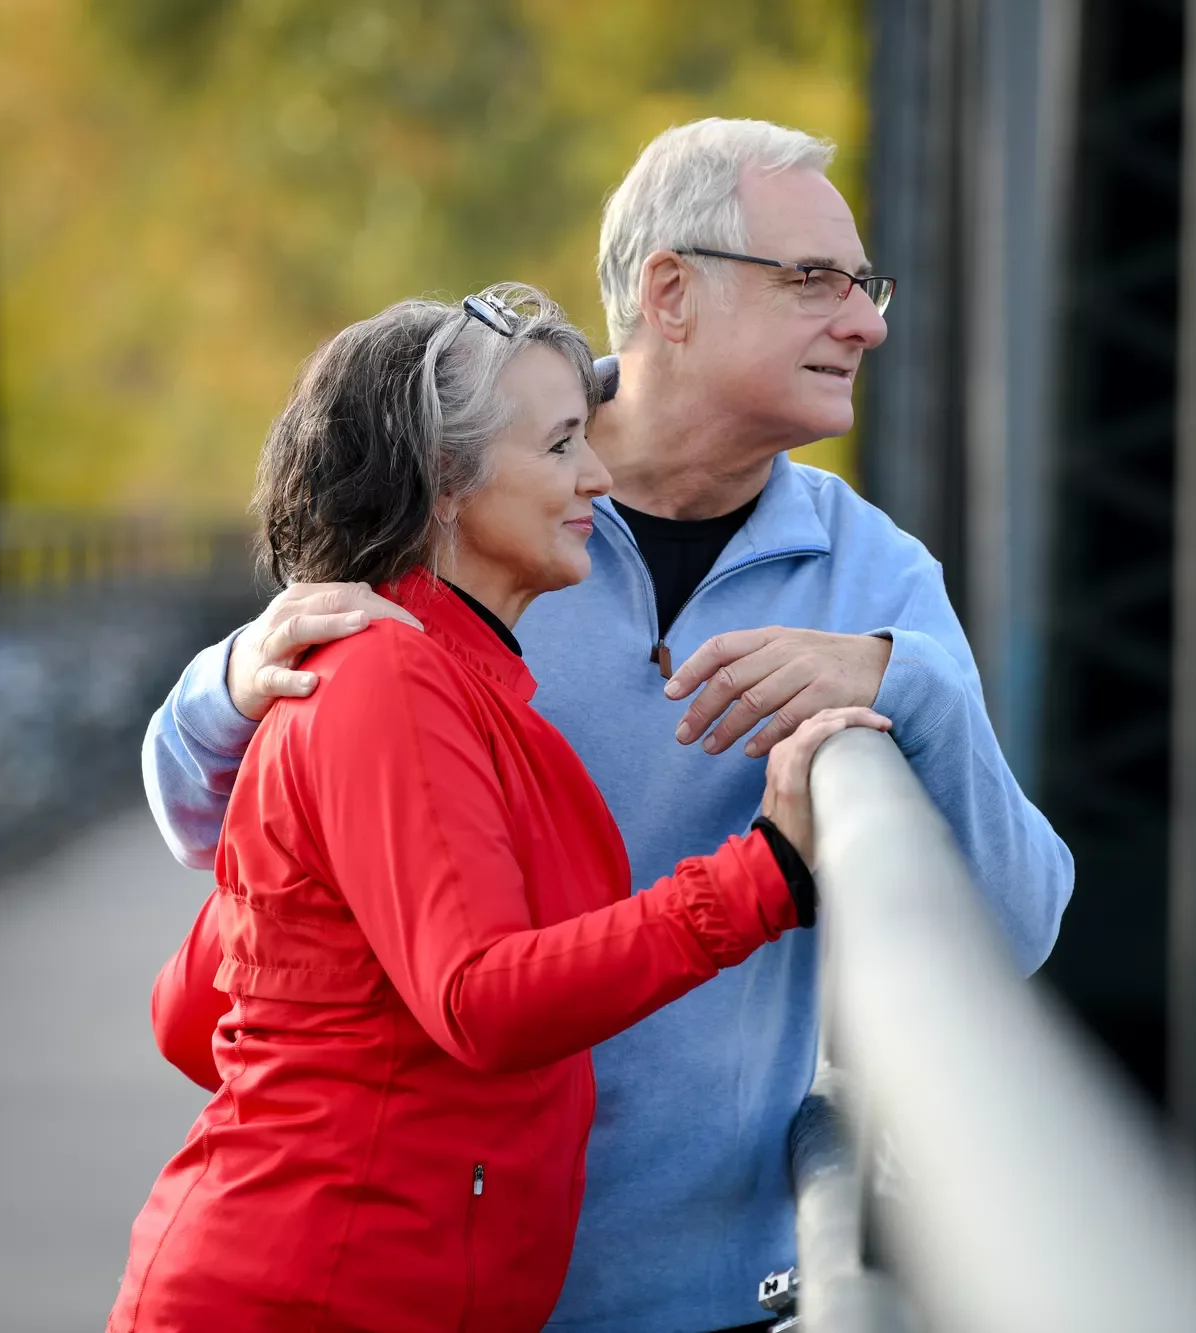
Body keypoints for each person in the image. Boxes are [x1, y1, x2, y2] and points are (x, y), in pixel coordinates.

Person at [142, 119, 1075, 1333]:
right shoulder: (473, 494)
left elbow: (1015, 929)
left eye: (866, 285)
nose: (867, 322)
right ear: (670, 290)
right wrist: (230, 673)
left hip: (695, 1288)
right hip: (418, 1265)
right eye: (815, 281)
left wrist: (909, 686)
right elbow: (231, 840)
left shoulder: (874, 577)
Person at [111, 283, 887, 1333]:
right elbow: (479, 997)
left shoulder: (433, 680)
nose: (599, 477)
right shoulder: (390, 681)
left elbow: (194, 1012)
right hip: (318, 1297)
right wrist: (770, 875)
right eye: (563, 444)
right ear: (443, 481)